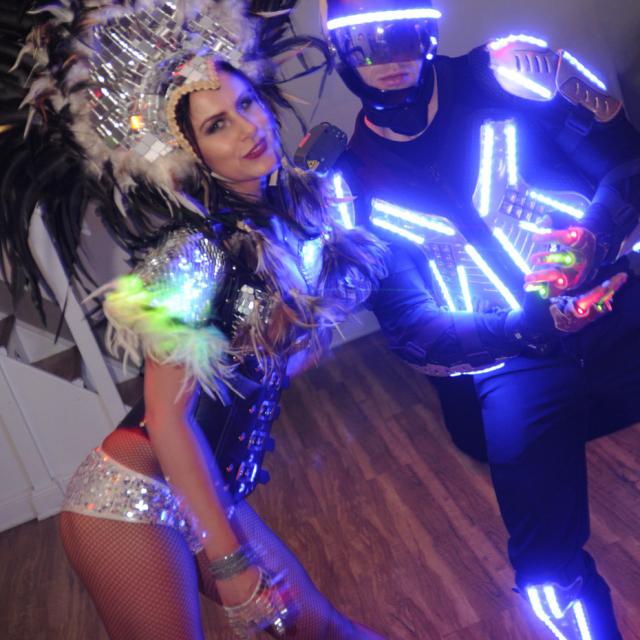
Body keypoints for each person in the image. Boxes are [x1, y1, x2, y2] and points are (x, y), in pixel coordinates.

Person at [0, 1, 387, 638]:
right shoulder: (193, 253)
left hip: (207, 489)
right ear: (192, 154)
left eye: (247, 104)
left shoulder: (289, 219)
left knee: (323, 630)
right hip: (130, 501)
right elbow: (169, 419)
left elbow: (274, 364)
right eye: (216, 126)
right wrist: (230, 563)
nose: (248, 128)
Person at [319, 0, 640, 637]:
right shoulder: (347, 187)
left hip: (618, 291)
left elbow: (628, 163)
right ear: (341, 54)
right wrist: (521, 329)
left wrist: (594, 237)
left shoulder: (514, 73)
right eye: (368, 44)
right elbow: (410, 327)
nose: (391, 59)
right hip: (511, 358)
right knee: (548, 576)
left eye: (405, 34)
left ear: (429, 30)